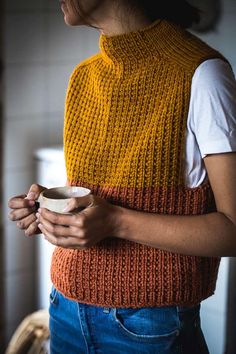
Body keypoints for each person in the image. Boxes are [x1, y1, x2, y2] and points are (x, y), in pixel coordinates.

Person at [8, 0, 236, 353]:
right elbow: (95, 199)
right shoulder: (84, 77)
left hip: (148, 325)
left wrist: (114, 222)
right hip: (64, 306)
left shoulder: (202, 74)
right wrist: (49, 210)